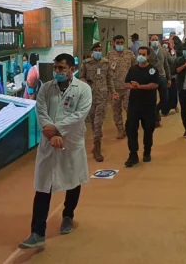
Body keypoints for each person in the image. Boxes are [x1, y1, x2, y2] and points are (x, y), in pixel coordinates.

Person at [20, 54, 92, 249]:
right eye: (55, 68)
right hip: (49, 141)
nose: (57, 71)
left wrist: (58, 129)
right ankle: (37, 233)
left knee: (73, 180)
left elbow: (80, 115)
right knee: (43, 185)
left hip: (71, 142)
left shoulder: (83, 89)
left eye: (62, 68)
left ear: (72, 70)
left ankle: (68, 215)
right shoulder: (46, 88)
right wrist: (51, 134)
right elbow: (41, 111)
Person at [124, 47, 161, 167]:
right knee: (131, 129)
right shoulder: (133, 69)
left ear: (148, 56)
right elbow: (126, 82)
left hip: (148, 105)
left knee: (148, 129)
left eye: (143, 54)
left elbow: (155, 84)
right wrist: (131, 86)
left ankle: (147, 152)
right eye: (139, 54)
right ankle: (133, 154)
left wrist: (140, 86)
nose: (141, 56)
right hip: (134, 105)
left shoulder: (152, 70)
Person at [80, 42, 115, 162]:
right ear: (92, 51)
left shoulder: (106, 63)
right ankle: (96, 142)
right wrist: (85, 83)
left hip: (102, 97)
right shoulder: (86, 63)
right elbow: (81, 76)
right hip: (89, 97)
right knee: (93, 123)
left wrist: (113, 92)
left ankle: (97, 148)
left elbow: (109, 79)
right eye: (96, 50)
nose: (98, 52)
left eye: (100, 50)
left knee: (98, 123)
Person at [108, 35, 135, 140]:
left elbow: (135, 67)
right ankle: (120, 130)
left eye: (121, 42)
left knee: (129, 109)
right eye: (117, 42)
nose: (120, 44)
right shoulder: (110, 55)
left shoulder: (129, 54)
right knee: (116, 110)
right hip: (114, 88)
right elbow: (108, 70)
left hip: (128, 87)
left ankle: (130, 128)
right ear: (113, 43)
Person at [148, 34, 172, 124]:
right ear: (150, 41)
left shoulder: (162, 50)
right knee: (152, 99)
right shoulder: (148, 51)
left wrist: (169, 78)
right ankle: (155, 118)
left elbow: (166, 64)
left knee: (165, 98)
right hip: (151, 78)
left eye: (156, 39)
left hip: (162, 77)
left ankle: (157, 110)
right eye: (153, 40)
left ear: (159, 41)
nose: (155, 41)